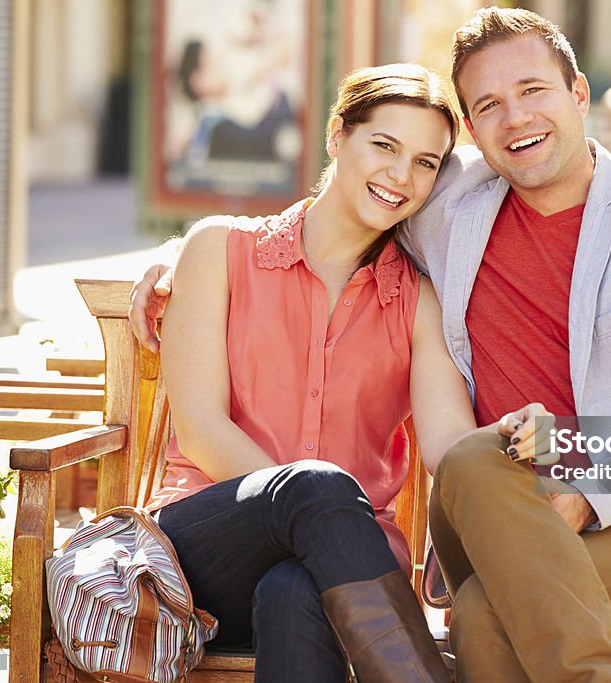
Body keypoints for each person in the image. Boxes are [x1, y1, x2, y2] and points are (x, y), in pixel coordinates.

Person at [132, 8, 611, 682]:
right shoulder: (455, 206)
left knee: (484, 619)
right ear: (474, 131)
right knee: (418, 475)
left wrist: (583, 492)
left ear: (579, 94)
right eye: (489, 105)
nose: (515, 118)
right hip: (407, 529)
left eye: (533, 91)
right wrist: (189, 255)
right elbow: (321, 219)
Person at [144, 62, 552, 683]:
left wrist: (515, 436)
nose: (400, 175)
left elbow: (447, 446)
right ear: (338, 135)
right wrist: (314, 508)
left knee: (293, 587)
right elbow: (199, 430)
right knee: (315, 488)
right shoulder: (219, 251)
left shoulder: (418, 301)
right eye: (383, 145)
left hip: (343, 574)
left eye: (425, 162)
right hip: (204, 549)